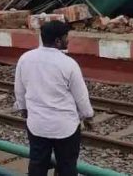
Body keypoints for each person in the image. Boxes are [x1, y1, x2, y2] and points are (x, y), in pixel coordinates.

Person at [14, 20, 94, 176]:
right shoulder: (68, 64)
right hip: (65, 127)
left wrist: (23, 108)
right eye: (66, 37)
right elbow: (81, 97)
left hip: (37, 125)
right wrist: (88, 115)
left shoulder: (25, 59)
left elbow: (19, 89)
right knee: (67, 165)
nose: (67, 40)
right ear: (58, 41)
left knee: (37, 163)